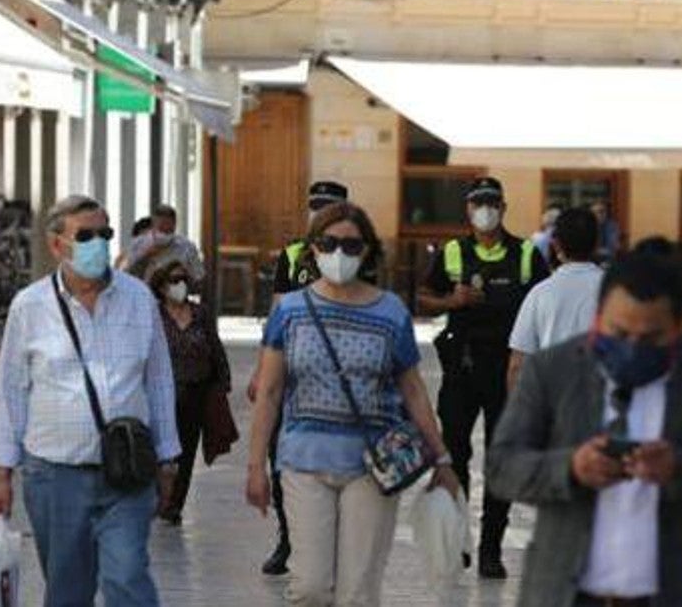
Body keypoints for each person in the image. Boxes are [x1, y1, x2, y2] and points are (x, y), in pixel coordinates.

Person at [488, 241, 682, 607]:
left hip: (679, 592)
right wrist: (570, 467)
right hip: (566, 593)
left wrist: (680, 468)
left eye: (652, 337)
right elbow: (501, 467)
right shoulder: (552, 372)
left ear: (678, 324)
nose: (634, 346)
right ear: (599, 317)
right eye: (619, 333)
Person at [246, 202, 459, 606]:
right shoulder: (290, 311)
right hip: (302, 463)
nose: (339, 252)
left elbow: (413, 390)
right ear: (313, 248)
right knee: (310, 586)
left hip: (372, 468)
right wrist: (256, 466)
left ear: (367, 251)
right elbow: (270, 392)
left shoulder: (390, 312)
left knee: (357, 593)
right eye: (329, 242)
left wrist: (443, 459)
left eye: (351, 244)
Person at [0, 195, 181, 607]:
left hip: (126, 473)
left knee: (127, 577)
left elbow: (159, 381)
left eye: (104, 234)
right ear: (57, 245)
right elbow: (10, 391)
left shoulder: (139, 299)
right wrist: (1, 474)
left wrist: (168, 458)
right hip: (55, 475)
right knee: (68, 592)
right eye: (86, 235)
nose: (98, 243)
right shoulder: (30, 307)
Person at [418, 176, 549, 579]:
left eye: (492, 203)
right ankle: (459, 540)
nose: (485, 210)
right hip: (463, 367)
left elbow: (543, 302)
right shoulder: (453, 251)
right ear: (468, 210)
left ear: (504, 208)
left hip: (509, 369)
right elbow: (423, 296)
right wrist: (450, 301)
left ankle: (491, 547)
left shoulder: (525, 253)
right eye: (478, 203)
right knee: (454, 456)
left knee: (501, 458)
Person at [252, 180, 353, 575]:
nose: (319, 212)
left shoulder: (359, 254)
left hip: (341, 376)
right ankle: (289, 537)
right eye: (314, 205)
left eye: (327, 206)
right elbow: (277, 314)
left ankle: (334, 540)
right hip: (292, 370)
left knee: (338, 457)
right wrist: (263, 367)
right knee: (283, 455)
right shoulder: (293, 253)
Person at [147, 251, 234, 526]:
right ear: (161, 286)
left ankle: (174, 504)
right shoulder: (154, 315)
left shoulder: (199, 314)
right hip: (162, 394)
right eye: (174, 280)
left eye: (183, 279)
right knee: (161, 450)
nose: (179, 285)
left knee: (185, 451)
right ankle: (157, 496)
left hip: (196, 392)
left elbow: (215, 349)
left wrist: (222, 383)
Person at [508, 207, 603, 391]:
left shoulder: (540, 293)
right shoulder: (615, 291)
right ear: (597, 244)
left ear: (556, 244)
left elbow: (517, 365)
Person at [125, 204, 206, 285]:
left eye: (168, 229)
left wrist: (185, 274)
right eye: (161, 228)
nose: (165, 231)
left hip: (176, 293)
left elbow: (199, 277)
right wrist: (146, 255)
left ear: (174, 225)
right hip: (146, 292)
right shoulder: (139, 244)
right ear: (153, 224)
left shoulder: (186, 246)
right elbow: (129, 274)